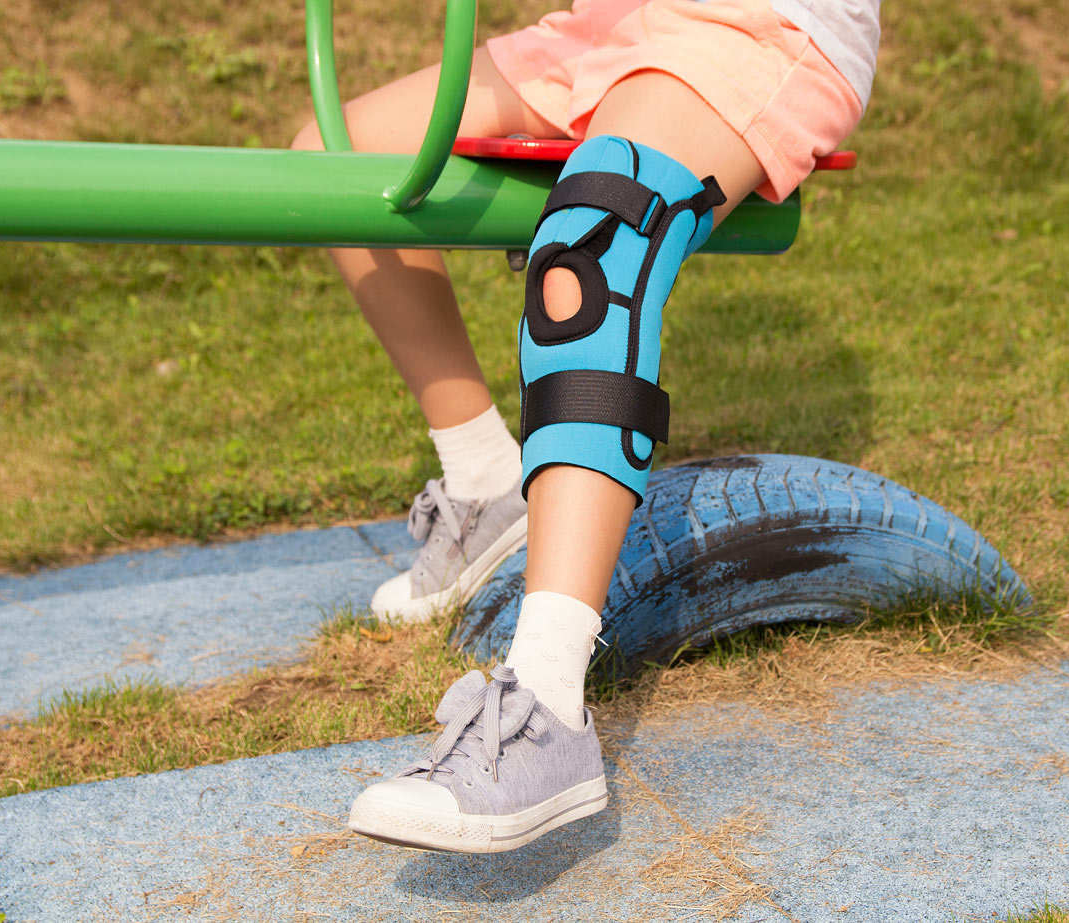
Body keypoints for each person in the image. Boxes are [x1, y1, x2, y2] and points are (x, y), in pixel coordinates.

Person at [291, 0, 879, 853]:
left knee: (594, 246)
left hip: (752, 22)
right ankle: (485, 477)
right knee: (337, 154)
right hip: (607, 25)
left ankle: (547, 705)